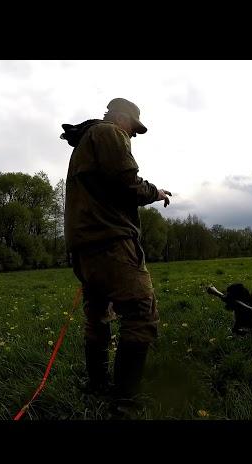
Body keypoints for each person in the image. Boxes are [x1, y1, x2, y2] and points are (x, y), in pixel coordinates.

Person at [63, 98, 171, 414]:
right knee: (140, 311)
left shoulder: (85, 142)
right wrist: (157, 192)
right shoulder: (110, 134)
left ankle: (96, 384)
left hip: (84, 248)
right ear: (121, 117)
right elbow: (128, 184)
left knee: (97, 314)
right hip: (111, 243)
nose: (133, 136)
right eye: (134, 130)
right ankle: (124, 403)